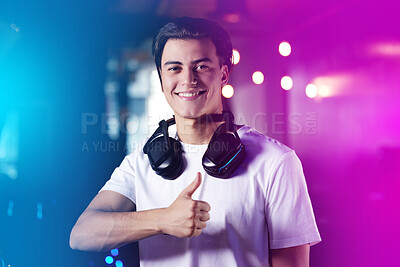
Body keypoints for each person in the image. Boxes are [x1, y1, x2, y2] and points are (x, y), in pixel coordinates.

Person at [70, 17, 321, 266]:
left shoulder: (276, 162)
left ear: (223, 74)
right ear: (161, 78)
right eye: (174, 68)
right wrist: (163, 219)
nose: (188, 79)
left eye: (201, 66)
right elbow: (82, 234)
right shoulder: (141, 161)